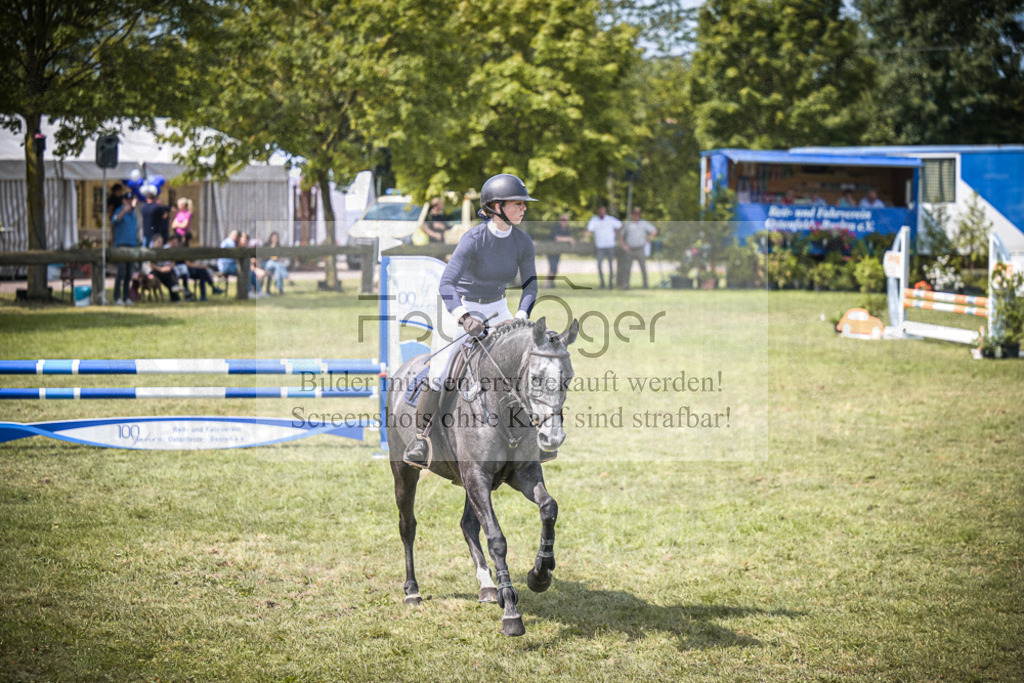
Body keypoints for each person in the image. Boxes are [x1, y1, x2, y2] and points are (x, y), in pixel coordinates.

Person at [403, 173, 539, 468]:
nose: (524, 208)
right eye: (518, 203)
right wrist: (464, 318)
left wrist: (519, 318)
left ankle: (529, 437)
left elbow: (531, 286)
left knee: (522, 362)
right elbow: (446, 284)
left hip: (498, 308)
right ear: (497, 207)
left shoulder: (522, 241)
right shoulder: (474, 239)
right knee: (440, 371)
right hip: (461, 307)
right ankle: (421, 439)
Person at [617, 207, 658, 289]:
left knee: (643, 268)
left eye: (638, 214)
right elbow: (621, 235)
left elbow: (654, 230)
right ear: (632, 214)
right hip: (630, 249)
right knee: (627, 268)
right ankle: (626, 284)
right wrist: (623, 245)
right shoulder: (628, 224)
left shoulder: (644, 223)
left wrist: (648, 239)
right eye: (635, 214)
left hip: (640, 249)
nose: (636, 216)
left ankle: (645, 284)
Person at [111, 191, 138, 305]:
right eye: (127, 200)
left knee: (129, 273)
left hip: (132, 244)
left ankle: (126, 297)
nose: (129, 202)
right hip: (122, 244)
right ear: (123, 201)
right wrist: (123, 211)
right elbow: (114, 220)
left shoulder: (133, 213)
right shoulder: (119, 210)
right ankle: (117, 297)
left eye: (131, 200)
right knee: (121, 272)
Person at [217, 229, 262, 296]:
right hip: (227, 266)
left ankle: (258, 291)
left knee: (251, 272)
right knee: (247, 272)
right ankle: (250, 292)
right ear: (234, 236)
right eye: (238, 237)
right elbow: (236, 257)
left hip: (227, 265)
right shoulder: (230, 243)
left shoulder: (228, 242)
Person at [586, 205, 621, 289]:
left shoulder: (611, 219)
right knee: (599, 265)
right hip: (600, 246)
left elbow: (619, 226)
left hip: (610, 245)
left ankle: (610, 283)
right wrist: (584, 238)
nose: (602, 213)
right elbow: (589, 230)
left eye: (603, 211)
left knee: (610, 265)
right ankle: (602, 283)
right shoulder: (594, 220)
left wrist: (618, 237)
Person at [147, 235, 182, 302]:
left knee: (170, 272)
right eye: (159, 242)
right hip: (154, 271)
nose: (160, 244)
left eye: (161, 242)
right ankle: (174, 290)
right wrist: (161, 269)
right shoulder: (151, 250)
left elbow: (173, 261)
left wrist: (168, 267)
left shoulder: (164, 250)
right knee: (164, 275)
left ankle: (175, 289)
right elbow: (150, 264)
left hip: (163, 270)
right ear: (154, 242)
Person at [546, 213, 574, 288]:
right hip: (550, 249)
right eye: (563, 219)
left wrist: (569, 239)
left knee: (555, 268)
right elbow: (557, 238)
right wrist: (569, 239)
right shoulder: (556, 226)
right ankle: (546, 284)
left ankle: (551, 283)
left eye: (566, 220)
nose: (564, 221)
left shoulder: (566, 228)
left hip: (558, 251)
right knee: (553, 267)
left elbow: (569, 237)